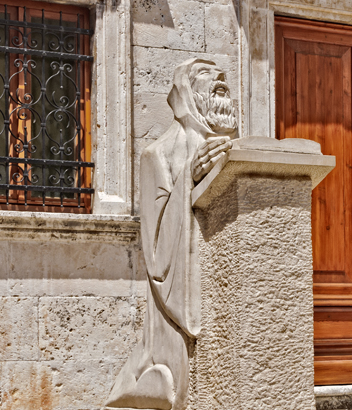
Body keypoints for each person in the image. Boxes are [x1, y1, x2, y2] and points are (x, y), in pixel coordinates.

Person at [106, 58, 237, 409]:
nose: (220, 78)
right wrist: (189, 178)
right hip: (178, 307)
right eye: (205, 75)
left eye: (220, 73)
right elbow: (155, 245)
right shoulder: (158, 154)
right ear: (186, 93)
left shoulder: (237, 154)